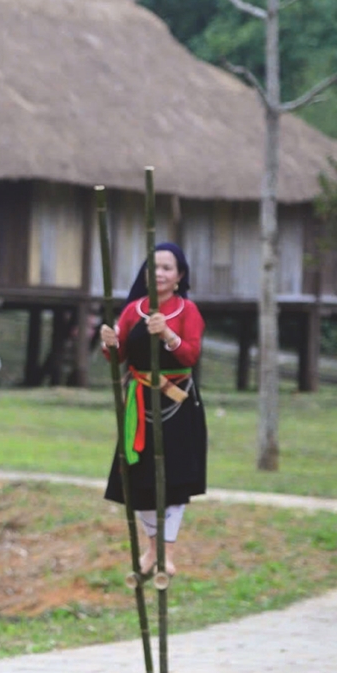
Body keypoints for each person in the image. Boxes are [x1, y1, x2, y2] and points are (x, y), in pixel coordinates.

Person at [100, 242, 207, 576]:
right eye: (153, 267)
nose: (158, 273)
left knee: (173, 480)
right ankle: (151, 550)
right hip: (139, 403)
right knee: (138, 478)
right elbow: (118, 358)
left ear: (179, 277)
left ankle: (167, 555)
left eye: (166, 268)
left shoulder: (187, 311)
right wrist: (110, 343)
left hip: (176, 401)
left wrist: (168, 335)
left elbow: (190, 355)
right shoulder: (133, 310)